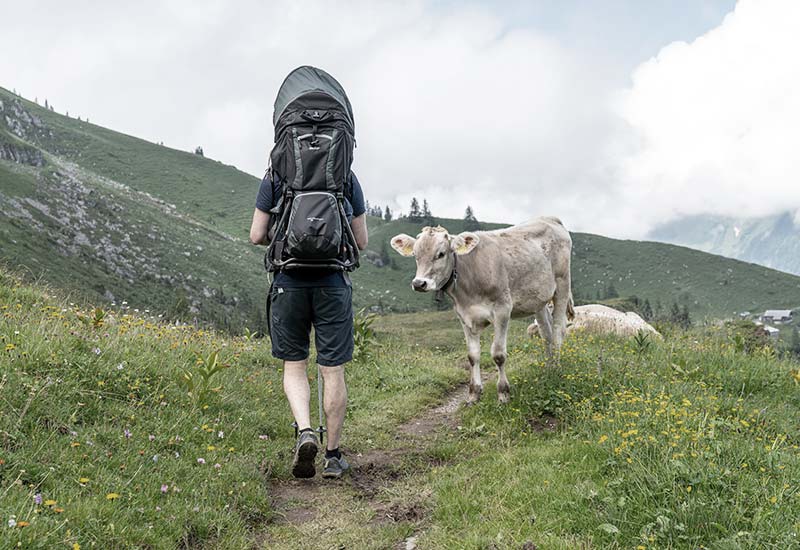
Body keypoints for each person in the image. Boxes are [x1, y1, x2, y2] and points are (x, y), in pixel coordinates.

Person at [249, 171, 368, 479]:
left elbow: (256, 234)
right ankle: (332, 456)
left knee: (294, 365)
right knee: (332, 369)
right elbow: (361, 241)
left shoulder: (275, 177)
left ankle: (305, 431)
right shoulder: (345, 176)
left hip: (289, 281)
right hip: (332, 283)